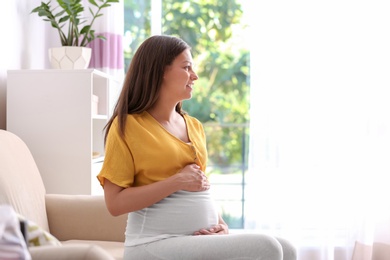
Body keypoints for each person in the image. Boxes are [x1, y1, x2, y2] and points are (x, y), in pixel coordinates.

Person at [97, 35, 296, 260]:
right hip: (152, 242)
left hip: (194, 240)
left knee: (287, 248)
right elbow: (114, 204)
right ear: (160, 71)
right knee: (267, 247)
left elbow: (201, 187)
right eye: (186, 67)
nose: (195, 76)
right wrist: (176, 181)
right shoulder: (128, 125)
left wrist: (222, 225)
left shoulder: (194, 125)